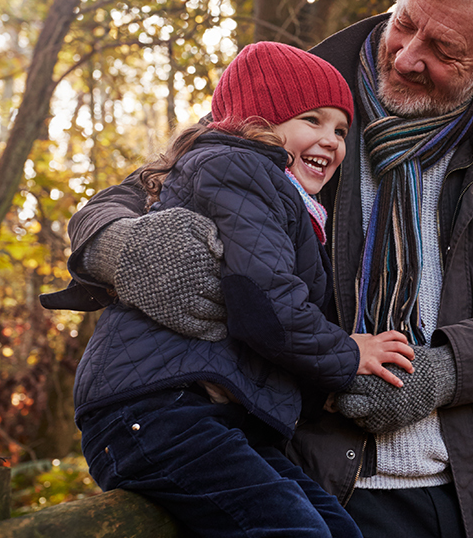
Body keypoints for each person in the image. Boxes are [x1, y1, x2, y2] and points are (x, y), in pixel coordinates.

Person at [43, 0, 473, 538]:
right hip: (318, 474)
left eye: (444, 50)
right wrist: (120, 248)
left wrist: (445, 370)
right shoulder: (297, 92)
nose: (409, 56)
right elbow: (136, 191)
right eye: (405, 23)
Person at [67, 42, 415, 538]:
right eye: (311, 120)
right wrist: (347, 354)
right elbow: (266, 304)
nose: (331, 140)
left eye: (340, 129)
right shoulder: (238, 168)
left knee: (340, 530)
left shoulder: (291, 202)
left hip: (218, 417)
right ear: (260, 122)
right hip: (154, 410)